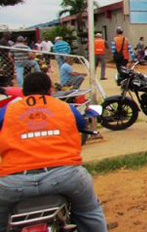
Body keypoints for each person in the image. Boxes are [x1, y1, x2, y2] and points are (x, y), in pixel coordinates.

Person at [0, 72, 108, 231]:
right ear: (50, 90)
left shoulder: (7, 110)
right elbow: (81, 124)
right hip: (65, 176)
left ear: (23, 92)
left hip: (14, 181)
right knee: (89, 211)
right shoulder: (64, 107)